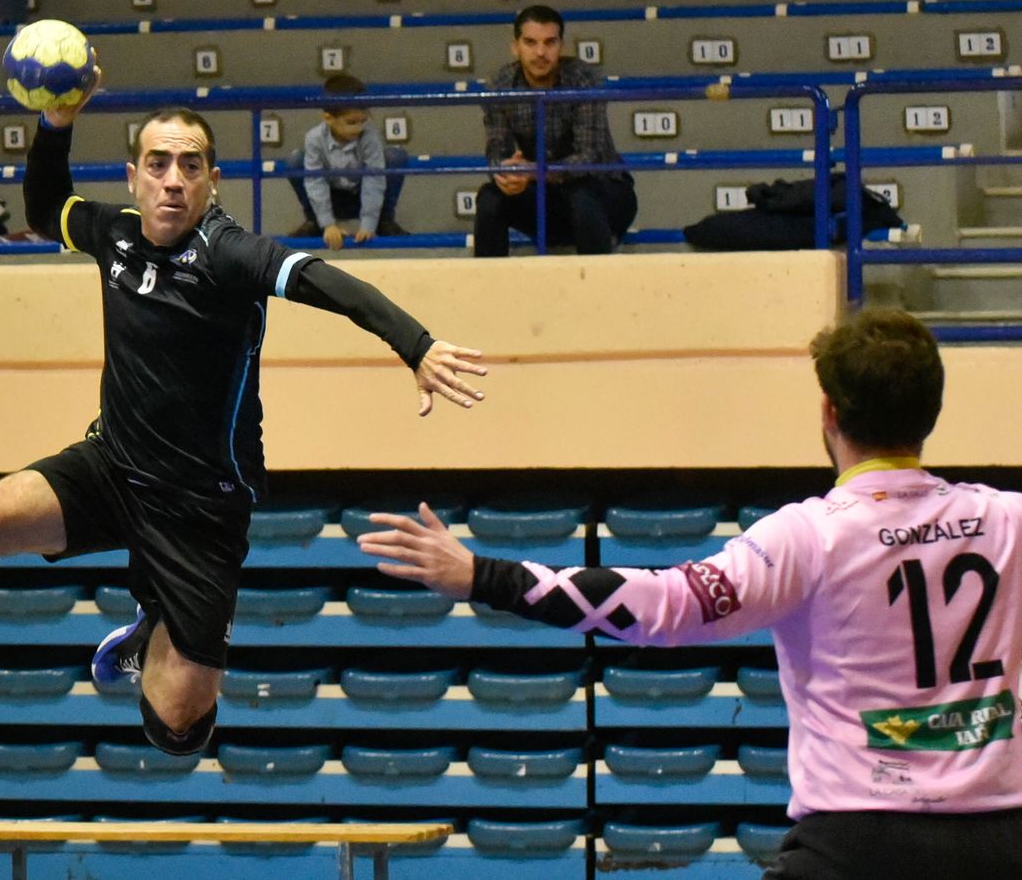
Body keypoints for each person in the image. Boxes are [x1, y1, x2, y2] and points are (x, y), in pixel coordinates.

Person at [0, 64, 488, 759]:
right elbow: (45, 204)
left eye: (190, 165)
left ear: (211, 182)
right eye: (158, 163)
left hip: (202, 507)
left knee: (178, 726)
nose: (173, 178)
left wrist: (414, 344)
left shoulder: (230, 252)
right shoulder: (113, 235)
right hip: (113, 465)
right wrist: (55, 126)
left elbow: (327, 281)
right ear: (135, 176)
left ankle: (154, 629)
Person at [357, 308, 1022, 879]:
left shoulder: (809, 536)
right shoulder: (1010, 522)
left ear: (830, 411)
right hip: (1003, 840)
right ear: (933, 410)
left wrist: (480, 575)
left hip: (858, 844)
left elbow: (657, 605)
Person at [474, 5, 636, 257]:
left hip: (606, 192)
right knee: (490, 198)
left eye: (550, 42)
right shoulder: (500, 84)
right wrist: (507, 173)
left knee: (582, 194)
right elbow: (496, 147)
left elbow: (587, 157)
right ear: (515, 47)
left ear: (561, 46)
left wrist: (532, 172)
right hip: (547, 199)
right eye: (530, 42)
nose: (540, 52)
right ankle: (487, 290)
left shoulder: (583, 79)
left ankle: (599, 288)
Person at [286, 73, 408, 249]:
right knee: (296, 161)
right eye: (351, 122)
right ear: (328, 118)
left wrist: (368, 223)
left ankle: (384, 220)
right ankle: (315, 222)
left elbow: (374, 179)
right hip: (332, 197)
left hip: (361, 195)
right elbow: (315, 181)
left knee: (395, 157)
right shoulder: (314, 138)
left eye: (363, 121)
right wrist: (328, 224)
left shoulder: (369, 136)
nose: (358, 128)